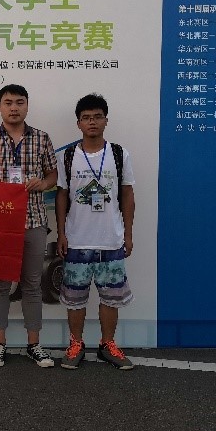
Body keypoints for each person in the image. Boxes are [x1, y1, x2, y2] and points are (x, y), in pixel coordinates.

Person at [0, 84, 58, 367]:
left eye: (19, 102)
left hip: (34, 221)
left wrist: (43, 183)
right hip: (0, 225)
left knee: (32, 284)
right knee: (0, 285)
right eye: (8, 103)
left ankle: (34, 344)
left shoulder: (42, 138)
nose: (14, 108)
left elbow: (53, 175)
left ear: (27, 105)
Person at [55, 93, 136, 370]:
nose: (92, 122)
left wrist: (127, 234)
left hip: (110, 239)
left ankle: (107, 344)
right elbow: (62, 195)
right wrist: (62, 233)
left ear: (106, 120)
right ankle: (76, 344)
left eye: (97, 117)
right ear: (78, 123)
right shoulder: (67, 156)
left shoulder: (119, 154)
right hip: (77, 240)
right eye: (86, 118)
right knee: (75, 299)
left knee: (111, 298)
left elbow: (127, 195)